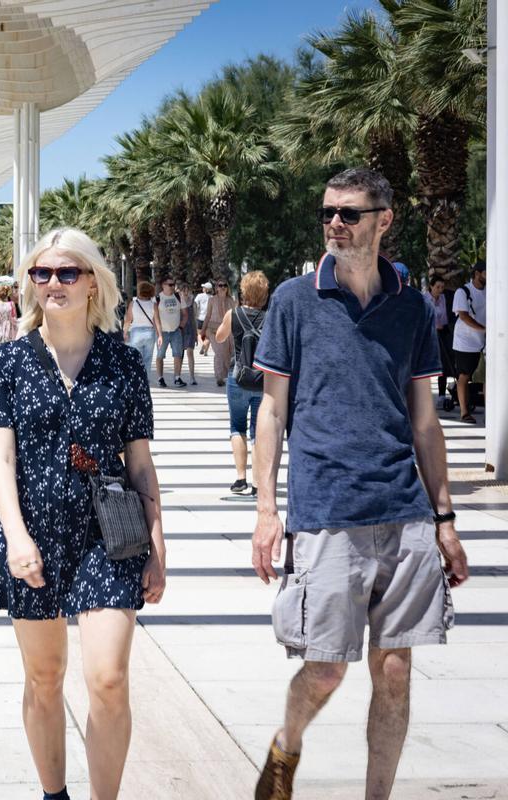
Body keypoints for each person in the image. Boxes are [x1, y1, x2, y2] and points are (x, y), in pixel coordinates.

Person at [250, 168, 469, 800]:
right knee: (324, 672)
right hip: (326, 510)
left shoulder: (412, 306)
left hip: (404, 510)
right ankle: (287, 745)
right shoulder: (295, 299)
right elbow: (272, 411)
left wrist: (445, 519)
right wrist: (267, 511)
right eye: (328, 213)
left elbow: (424, 421)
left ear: (384, 219)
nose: (335, 224)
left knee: (395, 670)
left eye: (349, 213)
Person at [0, 228, 166, 800]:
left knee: (107, 679)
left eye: (66, 272)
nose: (53, 283)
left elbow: (140, 464)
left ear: (92, 283)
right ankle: (53, 794)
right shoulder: (8, 362)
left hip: (109, 534)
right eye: (42, 273)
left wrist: (158, 546)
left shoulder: (123, 363)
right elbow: (1, 459)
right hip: (32, 532)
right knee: (44, 677)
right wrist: (15, 537)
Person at [214, 271, 267, 495]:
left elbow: (219, 337)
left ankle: (240, 479)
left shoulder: (233, 314)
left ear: (243, 291)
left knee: (237, 427)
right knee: (258, 431)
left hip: (238, 378)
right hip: (262, 380)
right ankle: (258, 483)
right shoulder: (270, 317)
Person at [451, 260, 486, 424]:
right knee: (464, 376)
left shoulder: (491, 291)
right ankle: (464, 412)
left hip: (485, 341)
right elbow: (463, 316)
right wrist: (484, 329)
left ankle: (489, 411)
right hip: (465, 342)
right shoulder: (463, 291)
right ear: (477, 273)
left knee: (487, 377)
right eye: (486, 273)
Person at [153, 275, 187, 388]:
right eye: (170, 285)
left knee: (178, 355)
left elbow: (185, 314)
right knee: (160, 355)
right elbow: (154, 317)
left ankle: (177, 378)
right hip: (162, 332)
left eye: (173, 285)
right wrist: (158, 332)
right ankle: (160, 378)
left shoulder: (178, 297)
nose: (172, 287)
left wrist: (181, 327)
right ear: (163, 285)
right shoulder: (157, 298)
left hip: (176, 331)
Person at [121, 281, 157, 383]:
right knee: (148, 359)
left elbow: (128, 320)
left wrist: (124, 333)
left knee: (136, 358)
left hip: (136, 333)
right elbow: (156, 321)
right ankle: (145, 379)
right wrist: (159, 335)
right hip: (150, 333)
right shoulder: (153, 305)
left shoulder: (133, 304)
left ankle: (136, 378)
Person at [202, 279, 235, 386]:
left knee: (229, 353)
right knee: (220, 352)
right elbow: (208, 315)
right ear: (216, 288)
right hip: (213, 330)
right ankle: (219, 377)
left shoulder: (231, 300)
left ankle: (229, 375)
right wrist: (203, 330)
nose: (223, 287)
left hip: (229, 329)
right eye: (220, 285)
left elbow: (235, 315)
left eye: (225, 285)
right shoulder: (212, 300)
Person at [427, 275, 454, 401]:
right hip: (430, 332)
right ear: (431, 286)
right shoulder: (425, 299)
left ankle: (442, 394)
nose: (440, 290)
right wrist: (433, 325)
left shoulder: (444, 297)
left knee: (445, 361)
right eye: (437, 287)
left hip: (444, 332)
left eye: (442, 287)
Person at [177, 282, 199, 385]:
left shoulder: (193, 302)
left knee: (190, 352)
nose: (186, 293)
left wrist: (196, 334)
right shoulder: (177, 302)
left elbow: (194, 318)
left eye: (187, 290)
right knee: (180, 354)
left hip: (190, 330)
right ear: (180, 291)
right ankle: (178, 376)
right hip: (180, 330)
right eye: (183, 290)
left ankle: (192, 377)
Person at [194, 280, 212, 354]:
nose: (202, 288)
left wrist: (195, 313)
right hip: (209, 319)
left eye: (203, 287)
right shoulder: (212, 298)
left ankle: (202, 344)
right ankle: (205, 351)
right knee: (208, 336)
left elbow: (195, 304)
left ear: (205, 289)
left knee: (199, 334)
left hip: (200, 318)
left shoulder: (199, 296)